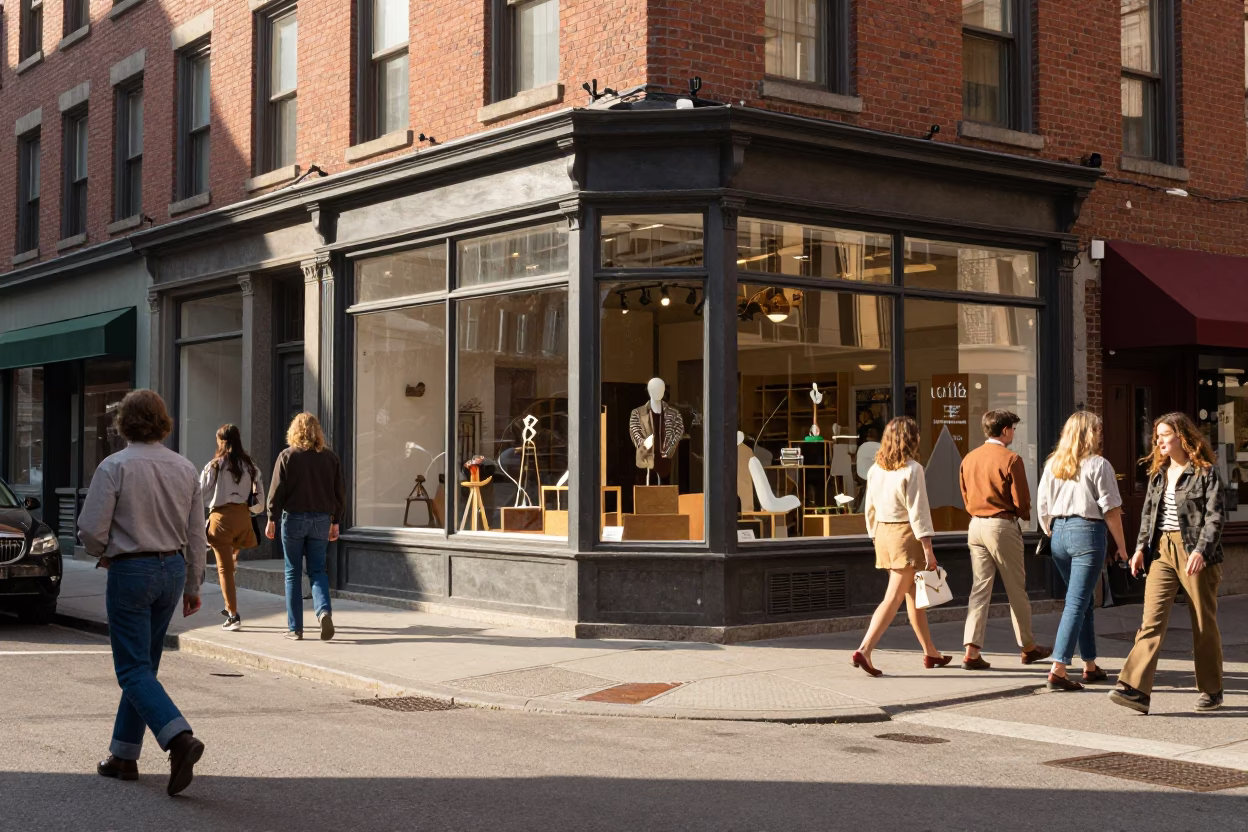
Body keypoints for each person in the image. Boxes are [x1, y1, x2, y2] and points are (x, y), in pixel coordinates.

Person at [77, 390, 207, 796]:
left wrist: (103, 553)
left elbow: (90, 530)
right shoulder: (185, 468)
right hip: (171, 568)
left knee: (131, 669)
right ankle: (123, 755)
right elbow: (196, 534)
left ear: (124, 423)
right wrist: (193, 583)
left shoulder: (114, 466)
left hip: (131, 568)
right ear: (163, 422)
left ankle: (178, 737)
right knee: (143, 668)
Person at [1111, 412, 1226, 714]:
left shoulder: (1205, 472)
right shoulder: (1159, 473)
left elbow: (1215, 516)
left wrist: (1201, 550)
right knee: (1151, 619)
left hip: (1195, 551)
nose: (1159, 440)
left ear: (1182, 437)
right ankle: (1135, 689)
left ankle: (1212, 689)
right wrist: (1138, 549)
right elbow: (1149, 515)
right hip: (1162, 550)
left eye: (1165, 434)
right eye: (1157, 435)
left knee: (1203, 622)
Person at [1036, 411, 1127, 692]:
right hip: (1087, 532)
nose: (1100, 435)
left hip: (1059, 533)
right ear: (1089, 433)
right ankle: (1059, 668)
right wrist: (1122, 547)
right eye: (1097, 430)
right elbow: (1111, 509)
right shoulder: (1099, 464)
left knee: (1083, 600)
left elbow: (1042, 506)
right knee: (1076, 602)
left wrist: (1052, 530)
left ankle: (1089, 664)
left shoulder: (1054, 464)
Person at [853, 417, 951, 676]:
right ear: (912, 439)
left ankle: (930, 652)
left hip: (883, 534)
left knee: (913, 596)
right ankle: (864, 649)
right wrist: (929, 549)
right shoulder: (913, 469)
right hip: (906, 534)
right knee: (894, 596)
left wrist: (875, 537)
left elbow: (869, 509)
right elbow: (919, 512)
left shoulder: (875, 469)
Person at [959, 410, 1050, 670]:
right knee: (1015, 589)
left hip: (975, 524)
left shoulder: (969, 458)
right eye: (1013, 429)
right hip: (1001, 524)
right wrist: (1024, 516)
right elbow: (1022, 500)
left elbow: (965, 495)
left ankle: (971, 650)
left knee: (980, 588)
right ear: (1006, 430)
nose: (1014, 433)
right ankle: (1028, 647)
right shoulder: (1011, 459)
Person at [267, 412, 345, 641]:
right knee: (317, 570)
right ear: (317, 432)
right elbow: (339, 493)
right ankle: (323, 612)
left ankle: (295, 628)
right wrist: (336, 521)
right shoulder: (330, 458)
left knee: (292, 572)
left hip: (293, 519)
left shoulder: (287, 456)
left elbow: (276, 491)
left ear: (294, 431)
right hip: (322, 520)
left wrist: (271, 518)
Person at [200, 424, 264, 632]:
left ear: (221, 441)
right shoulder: (251, 466)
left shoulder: (215, 465)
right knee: (230, 565)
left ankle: (232, 613)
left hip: (221, 518)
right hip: (243, 518)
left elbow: (199, 492)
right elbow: (259, 502)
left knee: (224, 569)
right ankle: (230, 604)